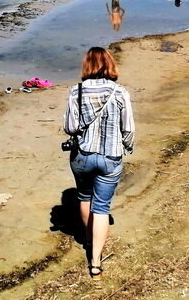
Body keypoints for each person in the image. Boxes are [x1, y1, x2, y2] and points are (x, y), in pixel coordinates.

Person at [63, 47, 135, 281]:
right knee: (102, 207)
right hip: (110, 157)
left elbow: (70, 128)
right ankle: (96, 263)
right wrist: (127, 146)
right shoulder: (119, 92)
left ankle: (87, 238)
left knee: (84, 197)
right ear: (109, 65)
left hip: (83, 155)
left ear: (87, 66)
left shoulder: (77, 91)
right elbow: (128, 128)